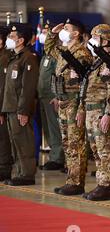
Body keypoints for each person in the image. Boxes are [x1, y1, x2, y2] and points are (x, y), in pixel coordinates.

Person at [46, 18, 93, 195]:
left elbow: (84, 83)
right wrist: (52, 33)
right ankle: (71, 179)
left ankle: (76, 182)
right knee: (67, 143)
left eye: (67, 28)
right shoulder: (65, 50)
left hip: (74, 102)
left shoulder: (81, 53)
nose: (64, 30)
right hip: (63, 101)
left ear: (76, 33)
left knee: (76, 143)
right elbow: (49, 49)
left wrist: (81, 107)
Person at [77, 24, 110, 201]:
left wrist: (109, 113)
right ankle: (101, 183)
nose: (92, 40)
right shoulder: (98, 60)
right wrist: (82, 108)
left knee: (105, 150)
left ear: (105, 39)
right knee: (96, 150)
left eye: (96, 37)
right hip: (91, 109)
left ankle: (105, 186)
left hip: (101, 110)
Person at [1, 23, 39, 186]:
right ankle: (21, 172)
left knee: (24, 141)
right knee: (16, 140)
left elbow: (28, 87)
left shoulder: (28, 58)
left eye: (12, 37)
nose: (9, 39)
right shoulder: (14, 58)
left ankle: (27, 174)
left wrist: (23, 110)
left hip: (19, 108)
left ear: (21, 40)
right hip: (10, 107)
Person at [37, 21, 65, 171]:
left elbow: (60, 76)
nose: (45, 35)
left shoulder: (59, 52)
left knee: (55, 128)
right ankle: (54, 155)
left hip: (53, 96)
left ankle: (57, 157)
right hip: (43, 95)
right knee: (48, 129)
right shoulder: (46, 54)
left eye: (48, 32)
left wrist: (57, 95)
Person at [0, 26, 13, 182]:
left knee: (3, 138)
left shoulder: (5, 57)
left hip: (2, 103)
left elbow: (3, 86)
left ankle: (4, 168)